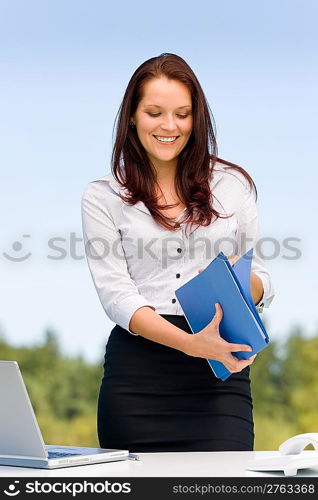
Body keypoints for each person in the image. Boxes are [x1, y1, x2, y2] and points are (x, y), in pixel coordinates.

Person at [81, 53, 275, 452]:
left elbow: (264, 283)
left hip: (220, 370)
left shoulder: (232, 185)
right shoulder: (103, 197)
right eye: (154, 112)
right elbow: (117, 296)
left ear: (196, 118)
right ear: (132, 116)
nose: (169, 126)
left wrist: (239, 284)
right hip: (138, 379)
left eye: (182, 114)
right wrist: (189, 344)